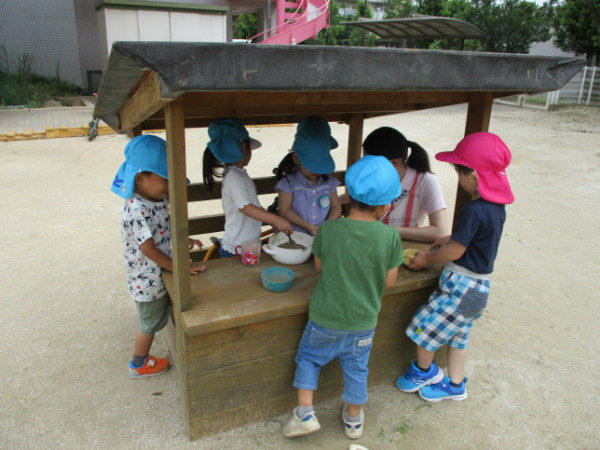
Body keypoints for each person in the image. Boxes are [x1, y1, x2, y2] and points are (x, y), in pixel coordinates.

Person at [283, 155, 405, 440]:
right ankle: (353, 420)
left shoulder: (329, 230)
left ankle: (305, 413)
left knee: (309, 358)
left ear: (347, 194)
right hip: (363, 323)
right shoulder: (390, 237)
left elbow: (319, 266)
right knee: (357, 369)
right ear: (385, 205)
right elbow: (389, 281)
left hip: (325, 318)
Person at [396, 132, 514, 402]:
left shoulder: (473, 210)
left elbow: (456, 251)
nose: (459, 180)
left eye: (460, 173)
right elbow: (479, 238)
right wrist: (452, 236)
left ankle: (424, 372)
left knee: (422, 327)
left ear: (473, 175)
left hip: (460, 287)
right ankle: (456, 384)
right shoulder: (496, 207)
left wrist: (426, 258)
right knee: (459, 338)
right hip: (479, 288)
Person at [111, 135, 206, 379]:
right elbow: (148, 248)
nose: (168, 184)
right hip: (147, 280)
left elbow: (167, 226)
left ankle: (183, 345)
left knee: (171, 307)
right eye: (164, 178)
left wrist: (186, 241)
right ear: (140, 178)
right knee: (150, 322)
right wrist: (177, 267)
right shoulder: (135, 208)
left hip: (162, 272)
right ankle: (138, 363)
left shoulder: (158, 198)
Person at [203, 118, 292, 257]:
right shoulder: (234, 177)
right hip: (236, 250)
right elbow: (245, 207)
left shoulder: (238, 175)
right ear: (244, 146)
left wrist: (272, 221)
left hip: (247, 246)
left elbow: (253, 205)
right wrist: (276, 220)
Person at [362, 127, 448, 242]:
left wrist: (389, 230)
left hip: (404, 250)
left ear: (394, 163)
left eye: (371, 164)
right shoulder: (371, 178)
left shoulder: (425, 181)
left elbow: (440, 231)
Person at [274, 116, 342, 236]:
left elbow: (336, 206)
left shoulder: (329, 182)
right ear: (296, 158)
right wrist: (308, 226)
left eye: (320, 165)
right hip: (294, 238)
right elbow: (285, 211)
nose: (316, 170)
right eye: (311, 165)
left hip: (322, 236)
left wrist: (327, 226)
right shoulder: (288, 184)